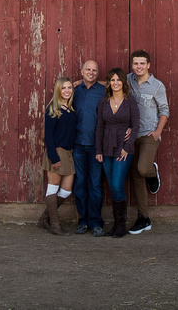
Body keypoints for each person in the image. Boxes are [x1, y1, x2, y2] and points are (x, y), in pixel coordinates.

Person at [127, 49, 169, 235]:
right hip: (131, 135)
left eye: (142, 63)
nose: (139, 66)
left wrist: (158, 132)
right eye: (136, 63)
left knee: (143, 169)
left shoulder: (157, 86)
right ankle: (144, 219)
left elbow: (164, 110)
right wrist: (82, 82)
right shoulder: (127, 80)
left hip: (148, 135)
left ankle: (152, 172)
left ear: (148, 65)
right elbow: (111, 83)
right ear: (132, 65)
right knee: (136, 175)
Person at [95, 67, 139, 238]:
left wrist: (127, 148)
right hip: (106, 148)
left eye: (118, 80)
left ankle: (121, 225)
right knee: (112, 187)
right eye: (112, 80)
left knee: (116, 185)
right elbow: (99, 127)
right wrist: (98, 150)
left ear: (123, 82)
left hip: (123, 148)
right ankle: (116, 225)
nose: (115, 83)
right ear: (109, 83)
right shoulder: (103, 102)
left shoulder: (130, 101)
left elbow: (135, 126)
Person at [72, 60, 107, 236]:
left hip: (96, 146)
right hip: (77, 144)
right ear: (82, 71)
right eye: (88, 69)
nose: (91, 72)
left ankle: (96, 223)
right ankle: (82, 221)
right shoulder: (73, 91)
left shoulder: (103, 91)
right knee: (79, 184)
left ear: (98, 73)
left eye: (94, 70)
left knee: (95, 185)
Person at [40, 76, 78, 236]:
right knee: (53, 188)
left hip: (69, 153)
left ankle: (44, 218)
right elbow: (48, 136)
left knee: (66, 190)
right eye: (64, 88)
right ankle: (55, 225)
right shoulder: (53, 109)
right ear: (58, 90)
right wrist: (54, 158)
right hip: (56, 152)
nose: (67, 91)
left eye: (70, 88)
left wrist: (82, 82)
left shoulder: (71, 108)